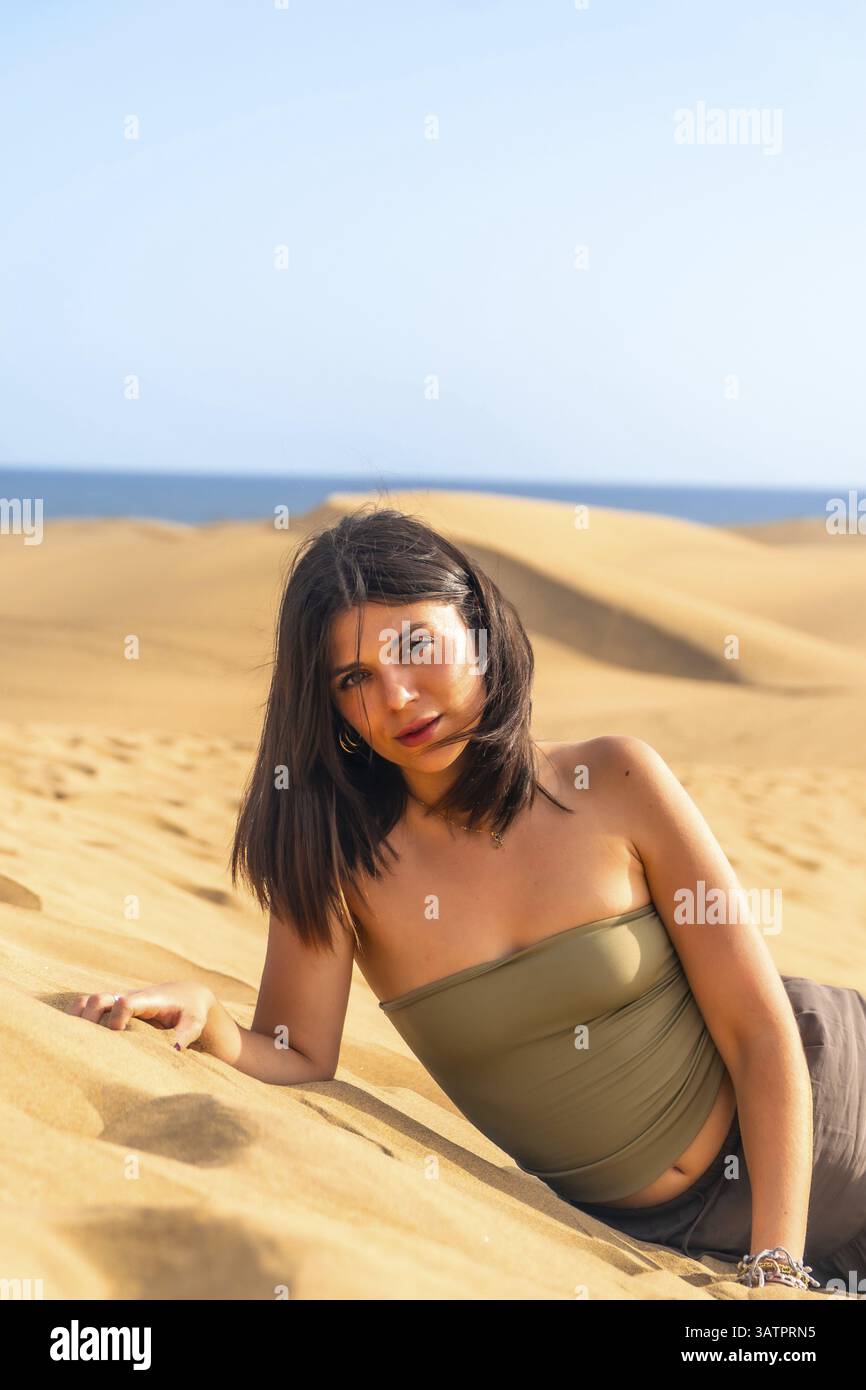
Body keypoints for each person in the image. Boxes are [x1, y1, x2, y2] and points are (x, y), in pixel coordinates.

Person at [70, 505, 866, 1295]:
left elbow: (761, 1034)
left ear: (479, 628)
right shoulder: (341, 863)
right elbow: (299, 1056)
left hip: (827, 1116)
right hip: (666, 1237)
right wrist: (210, 1018)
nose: (399, 698)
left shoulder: (617, 779)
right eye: (355, 680)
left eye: (416, 646)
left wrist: (775, 1271)